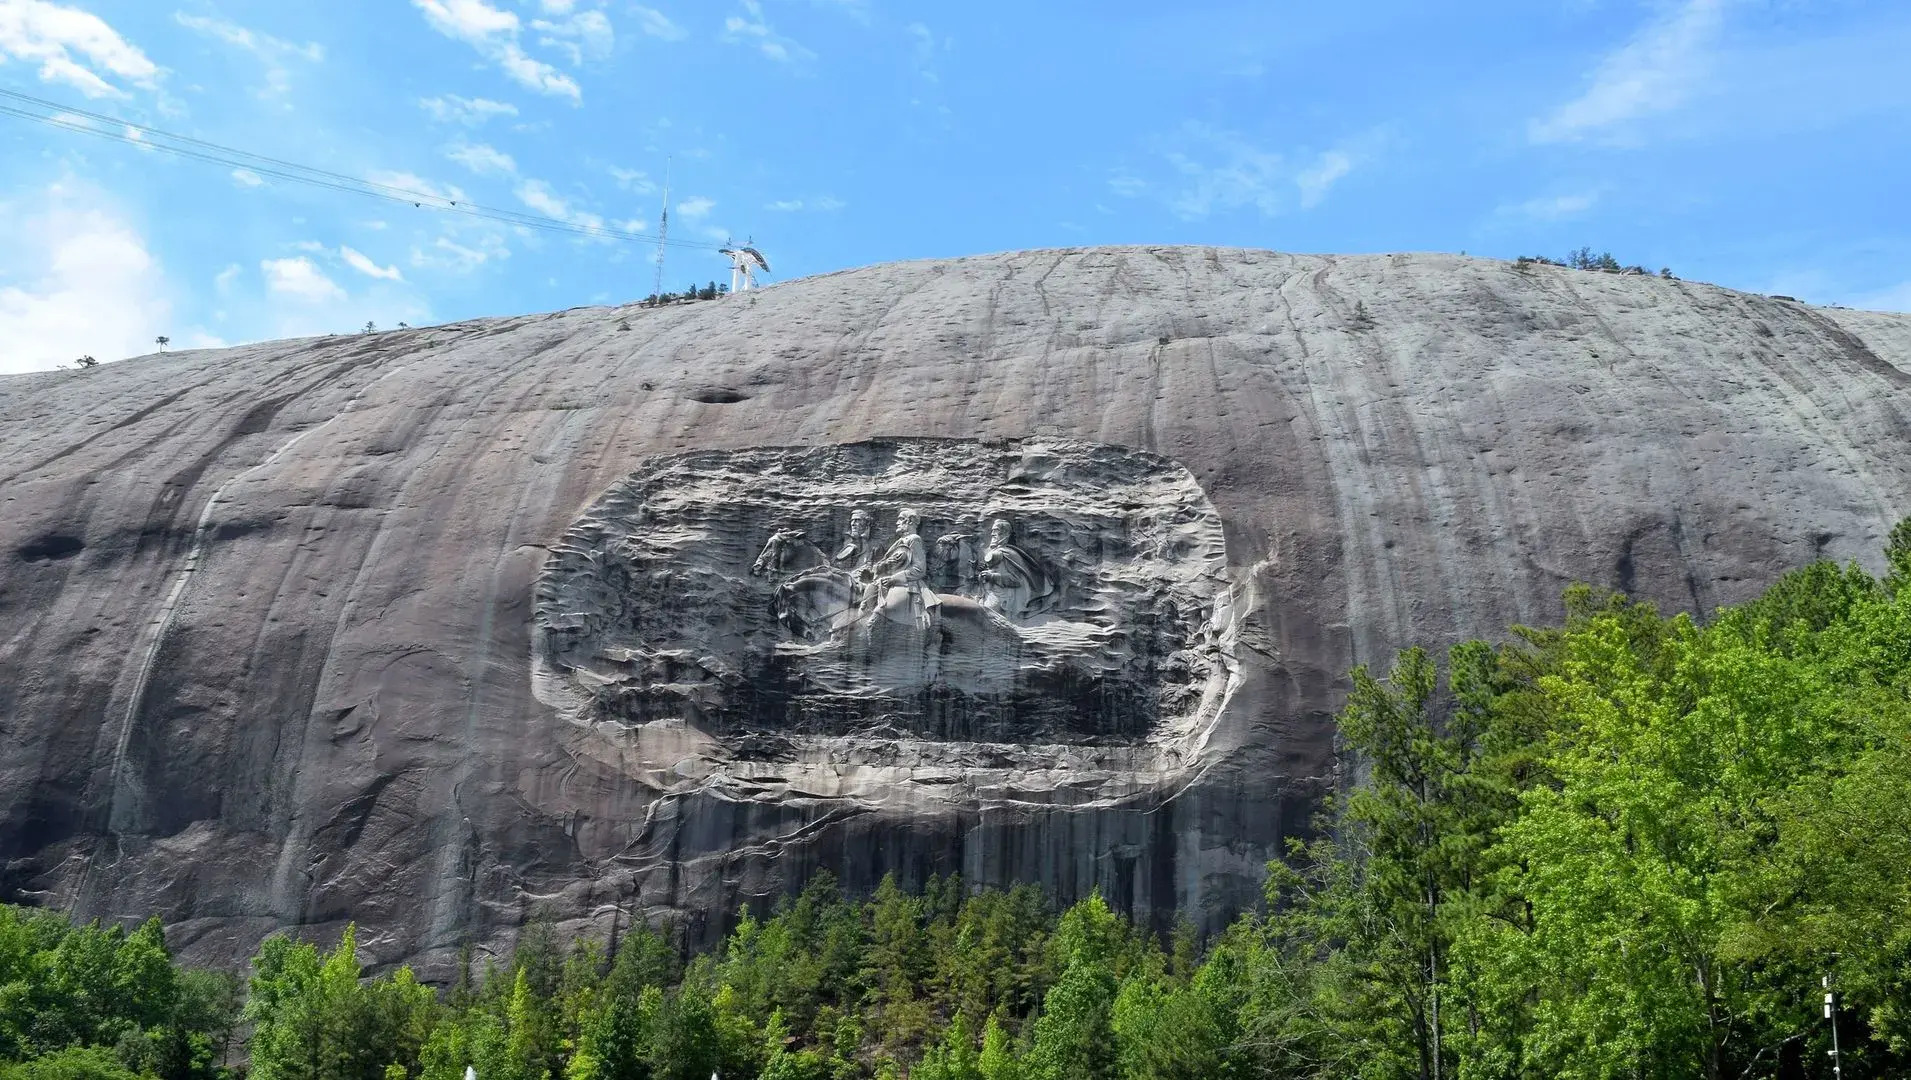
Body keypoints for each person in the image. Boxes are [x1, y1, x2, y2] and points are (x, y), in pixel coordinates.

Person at [979, 516, 1052, 619]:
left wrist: (992, 576)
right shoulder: (997, 552)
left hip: (1003, 599)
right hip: (986, 594)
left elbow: (1016, 580)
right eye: (992, 530)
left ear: (1005, 533)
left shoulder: (1009, 554)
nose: (992, 534)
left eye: (996, 530)